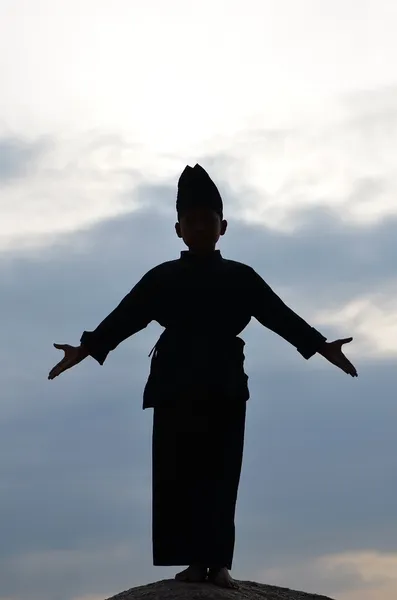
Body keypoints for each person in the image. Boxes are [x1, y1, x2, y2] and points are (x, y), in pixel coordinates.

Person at [48, 163, 358, 589]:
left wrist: (322, 346)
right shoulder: (162, 278)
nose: (198, 228)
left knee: (222, 473)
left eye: (206, 221)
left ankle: (220, 563)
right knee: (178, 475)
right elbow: (124, 319)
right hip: (174, 385)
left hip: (225, 385)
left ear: (223, 226)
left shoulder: (241, 277)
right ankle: (195, 563)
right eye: (190, 221)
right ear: (178, 229)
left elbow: (280, 316)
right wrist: (84, 348)